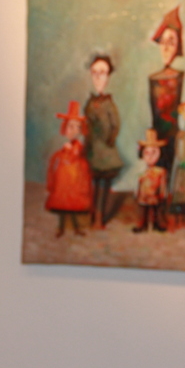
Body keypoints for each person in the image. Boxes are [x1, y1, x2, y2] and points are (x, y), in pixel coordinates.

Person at [83, 53, 123, 228]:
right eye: (95, 73)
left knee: (104, 184)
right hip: (92, 150)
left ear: (108, 76)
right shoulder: (90, 103)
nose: (98, 77)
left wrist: (110, 139)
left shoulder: (109, 104)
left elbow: (115, 124)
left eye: (103, 73)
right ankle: (93, 213)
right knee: (93, 184)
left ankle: (99, 216)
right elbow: (86, 124)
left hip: (106, 152)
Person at [45, 100, 93, 237]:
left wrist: (71, 151)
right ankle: (61, 227)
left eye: (77, 127)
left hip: (76, 176)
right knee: (63, 200)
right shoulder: (64, 145)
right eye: (71, 126)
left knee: (73, 200)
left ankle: (76, 227)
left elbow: (75, 156)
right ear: (65, 127)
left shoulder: (78, 146)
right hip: (64, 176)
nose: (74, 130)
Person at [148, 6, 184, 181]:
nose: (166, 47)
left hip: (175, 134)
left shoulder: (180, 76)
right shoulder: (153, 78)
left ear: (178, 46)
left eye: (171, 42)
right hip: (157, 135)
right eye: (163, 41)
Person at [133, 128, 169, 233]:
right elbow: (138, 182)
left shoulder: (160, 171)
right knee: (143, 208)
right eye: (147, 153)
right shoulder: (142, 171)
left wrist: (163, 192)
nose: (150, 156)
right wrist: (136, 192)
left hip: (155, 194)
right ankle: (142, 224)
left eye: (154, 153)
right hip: (144, 195)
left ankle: (158, 223)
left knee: (157, 207)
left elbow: (163, 183)